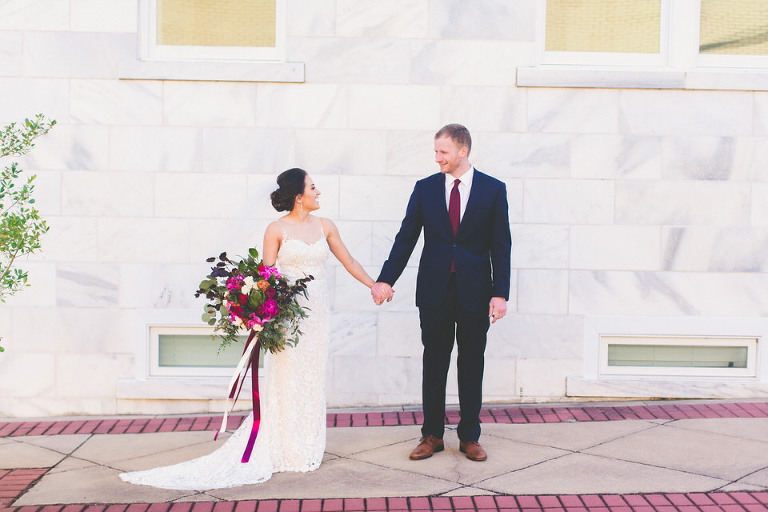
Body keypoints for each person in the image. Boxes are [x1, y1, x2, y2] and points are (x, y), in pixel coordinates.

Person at [120, 168, 376, 489]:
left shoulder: (326, 227)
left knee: (312, 376)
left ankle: (306, 445)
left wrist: (374, 285)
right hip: (289, 317)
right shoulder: (276, 230)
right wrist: (259, 312)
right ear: (299, 196)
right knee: (287, 378)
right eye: (313, 187)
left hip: (318, 314)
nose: (318, 192)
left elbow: (349, 261)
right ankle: (283, 446)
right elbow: (267, 278)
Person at [371, 124, 511, 462]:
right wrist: (385, 279)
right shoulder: (425, 189)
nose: (437, 158)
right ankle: (432, 434)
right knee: (434, 361)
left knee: (471, 362)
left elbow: (500, 244)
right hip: (434, 291)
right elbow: (406, 237)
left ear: (462, 151)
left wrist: (500, 293)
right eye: (436, 152)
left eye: (443, 152)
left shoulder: (493, 189)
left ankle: (469, 437)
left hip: (475, 292)